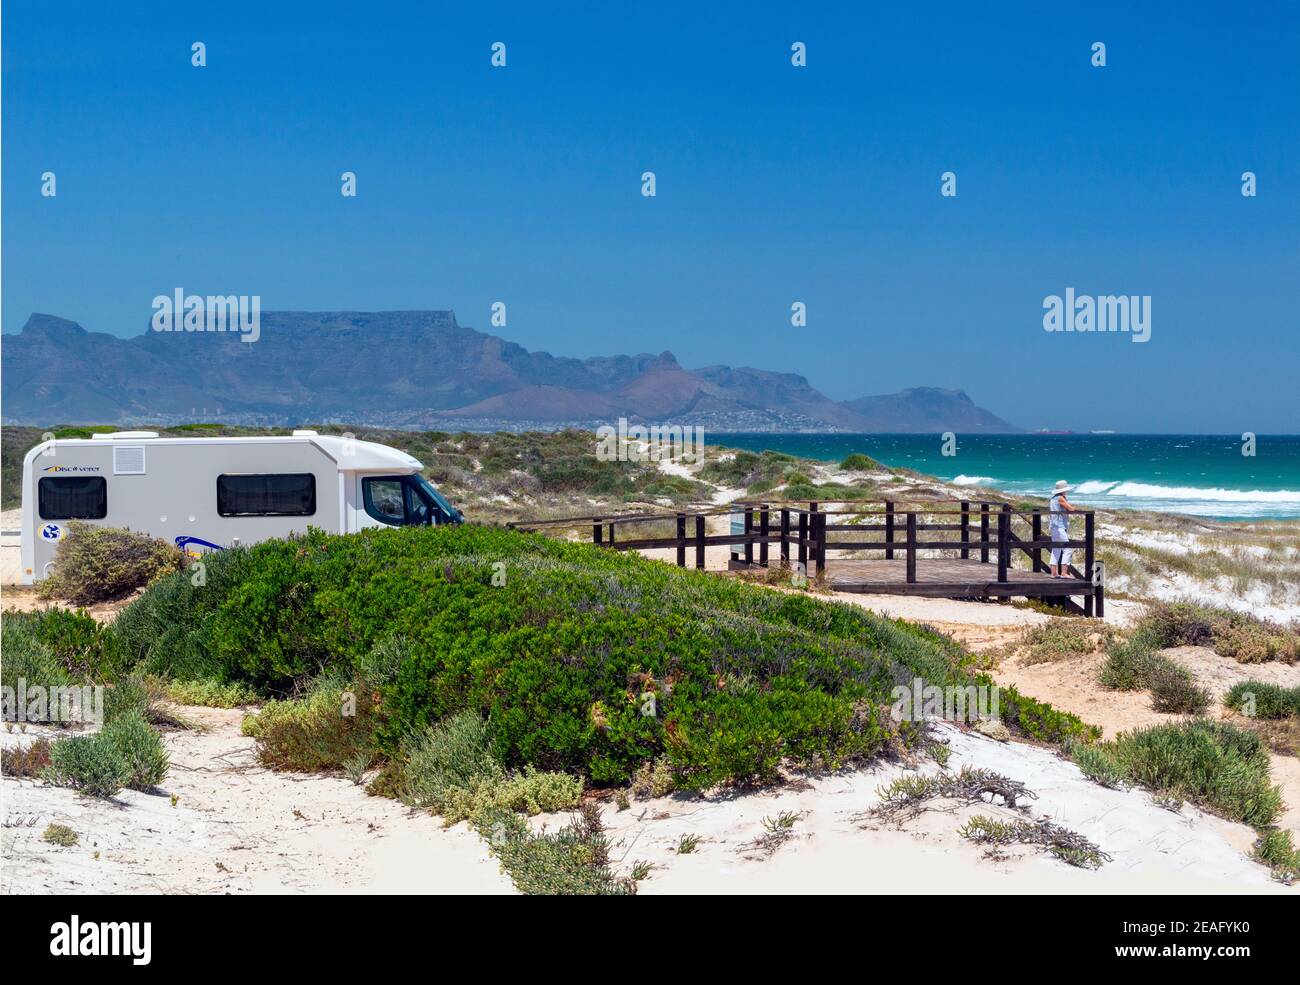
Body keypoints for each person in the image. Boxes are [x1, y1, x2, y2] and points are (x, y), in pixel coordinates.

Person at [1048, 480, 1079, 577]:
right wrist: (1074, 508)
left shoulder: (1053, 498)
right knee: (1067, 549)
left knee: (1056, 548)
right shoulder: (1061, 498)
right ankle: (1064, 572)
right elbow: (1070, 509)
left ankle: (1053, 573)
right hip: (1059, 526)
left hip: (1054, 526)